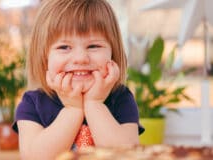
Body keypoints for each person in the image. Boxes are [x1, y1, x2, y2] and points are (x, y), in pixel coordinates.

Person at [12, 0, 144, 159]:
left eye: (93, 46)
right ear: (44, 58)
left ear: (113, 54)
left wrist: (94, 104)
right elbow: (35, 157)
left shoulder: (121, 98)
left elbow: (127, 156)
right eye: (64, 47)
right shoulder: (32, 103)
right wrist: (72, 109)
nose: (81, 58)